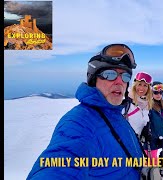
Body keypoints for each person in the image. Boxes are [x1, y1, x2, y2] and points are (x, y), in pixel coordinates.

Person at [27, 44, 144, 180]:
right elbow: (59, 165)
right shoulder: (79, 123)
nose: (119, 82)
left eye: (125, 76)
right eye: (110, 74)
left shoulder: (114, 113)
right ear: (94, 79)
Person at [125, 71, 153, 138]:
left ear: (148, 88)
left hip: (138, 145)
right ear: (135, 85)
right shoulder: (127, 103)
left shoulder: (147, 105)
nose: (142, 88)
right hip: (126, 143)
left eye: (145, 85)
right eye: (139, 84)